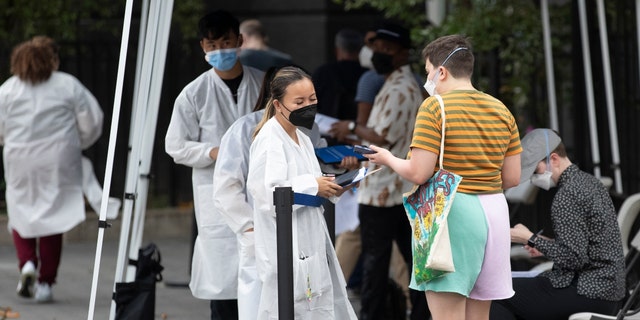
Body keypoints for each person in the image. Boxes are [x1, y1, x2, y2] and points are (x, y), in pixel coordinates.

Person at [362, 34, 522, 320]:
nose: (428, 80)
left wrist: (387, 158)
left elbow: (419, 172)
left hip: (452, 212)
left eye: (427, 72)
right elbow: (512, 177)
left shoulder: (435, 107)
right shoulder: (501, 109)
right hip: (495, 214)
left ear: (442, 71)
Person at [164, 10, 264, 320]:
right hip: (217, 195)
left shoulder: (264, 85)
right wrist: (213, 152)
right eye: (212, 45)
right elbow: (175, 146)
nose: (219, 50)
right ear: (202, 47)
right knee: (224, 287)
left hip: (261, 190)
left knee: (264, 280)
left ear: (240, 41)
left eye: (226, 42)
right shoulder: (194, 94)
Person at [330, 22, 427, 320]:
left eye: (388, 49)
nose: (379, 54)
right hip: (393, 188)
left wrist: (349, 127)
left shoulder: (401, 88)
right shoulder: (395, 83)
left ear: (402, 54)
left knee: (378, 260)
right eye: (377, 48)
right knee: (405, 259)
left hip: (385, 191)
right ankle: (417, 313)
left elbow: (381, 136)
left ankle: (376, 314)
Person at [246, 66, 357, 319]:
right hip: (286, 246)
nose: (308, 106)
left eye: (312, 99)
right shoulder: (270, 139)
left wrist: (337, 183)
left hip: (309, 241)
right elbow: (268, 192)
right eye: (299, 101)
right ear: (277, 104)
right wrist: (313, 185)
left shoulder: (302, 137)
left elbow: (309, 181)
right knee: (287, 308)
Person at [0, 36, 104, 303]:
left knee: (20, 211)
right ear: (52, 60)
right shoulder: (67, 85)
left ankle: (27, 264)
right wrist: (77, 142)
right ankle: (46, 283)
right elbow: (92, 121)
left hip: (20, 159)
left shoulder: (8, 90)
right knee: (53, 218)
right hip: (59, 159)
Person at [490, 128, 625, 320]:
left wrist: (528, 237)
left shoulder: (566, 195)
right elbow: (585, 247)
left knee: (496, 294)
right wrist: (541, 243)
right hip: (609, 292)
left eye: (536, 170)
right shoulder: (589, 182)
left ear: (553, 159)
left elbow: (574, 258)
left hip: (587, 290)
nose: (534, 179)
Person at [312, 28, 367, 128]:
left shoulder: (323, 73)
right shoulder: (368, 76)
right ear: (360, 50)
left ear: (337, 50)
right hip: (360, 132)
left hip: (329, 131)